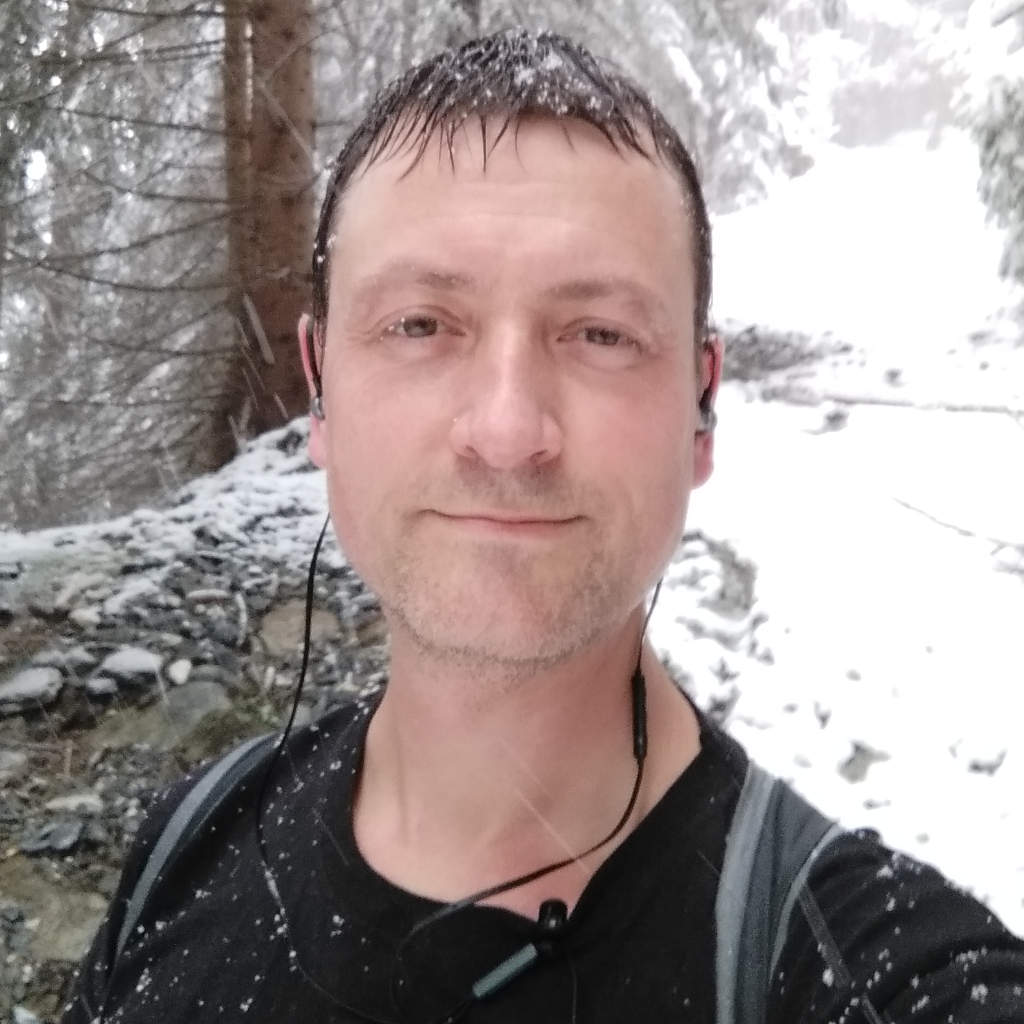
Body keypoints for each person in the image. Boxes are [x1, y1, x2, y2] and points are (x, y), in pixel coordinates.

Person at [64, 30, 1024, 1024]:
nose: (507, 430)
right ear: (319, 386)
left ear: (701, 407)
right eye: (419, 325)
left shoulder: (865, 970)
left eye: (601, 334)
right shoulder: (186, 845)